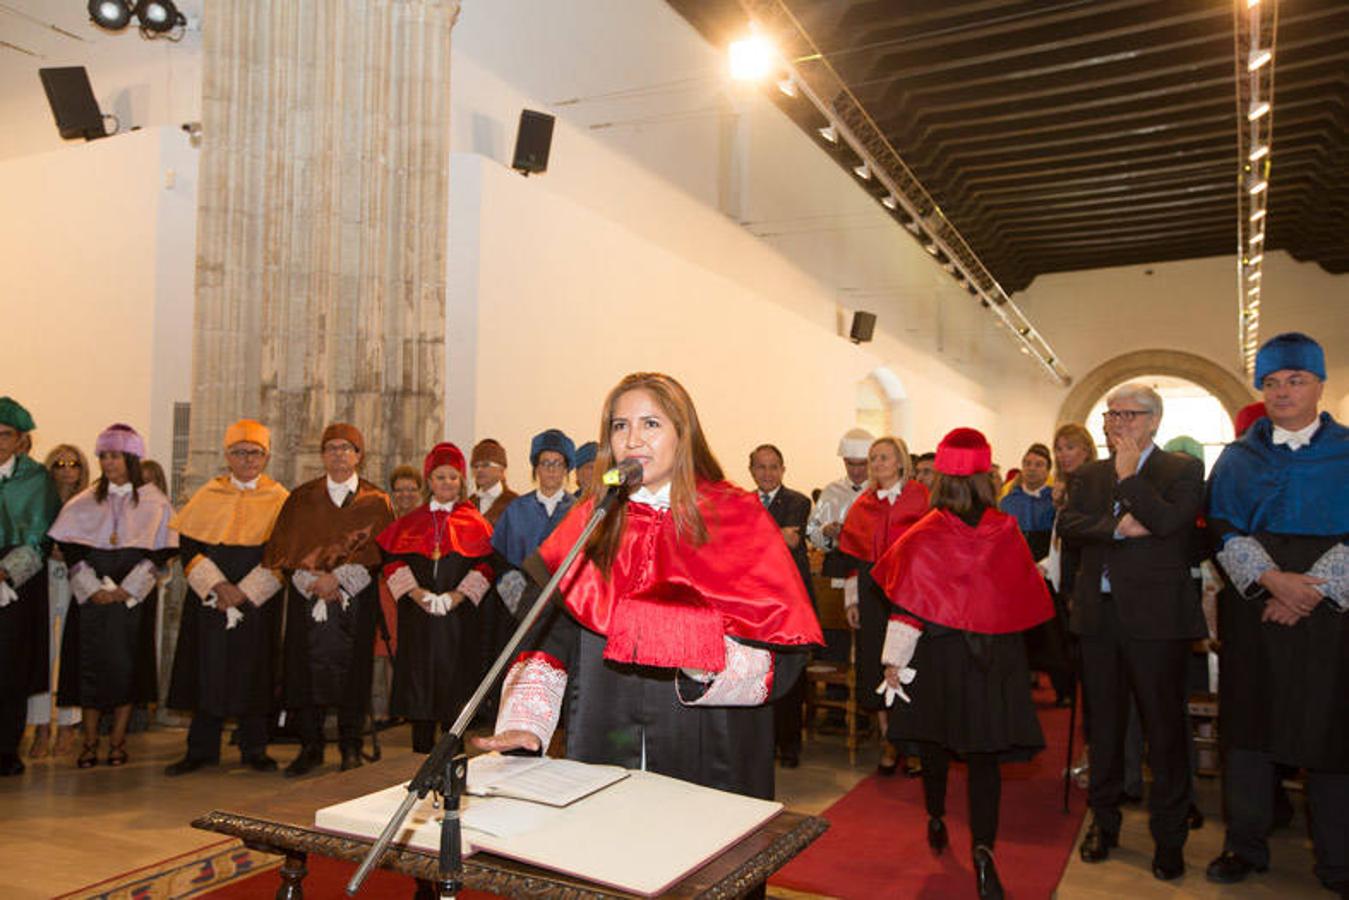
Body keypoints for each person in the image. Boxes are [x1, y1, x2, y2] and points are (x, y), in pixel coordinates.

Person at [475, 372, 822, 803]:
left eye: (650, 424)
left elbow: (784, 655)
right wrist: (526, 721)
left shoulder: (737, 517)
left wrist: (697, 656)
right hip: (605, 737)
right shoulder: (593, 518)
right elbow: (552, 633)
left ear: (684, 434)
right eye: (620, 426)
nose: (633, 439)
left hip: (707, 748)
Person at [873, 427, 1054, 900]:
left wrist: (893, 662)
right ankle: (984, 850)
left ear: (942, 480)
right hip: (993, 660)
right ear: (986, 478)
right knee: (984, 758)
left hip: (938, 658)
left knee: (933, 744)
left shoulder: (925, 531)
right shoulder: (1006, 529)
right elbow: (1023, 599)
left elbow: (907, 604)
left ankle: (936, 816)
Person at [1205, 333, 1349, 894]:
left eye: (1295, 380)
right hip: (1256, 606)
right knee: (1249, 730)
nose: (1283, 392)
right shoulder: (1240, 456)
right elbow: (1220, 525)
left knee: (1332, 733)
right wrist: (1272, 582)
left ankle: (1337, 859)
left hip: (1331, 613)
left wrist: (1309, 592)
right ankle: (1245, 844)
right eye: (1271, 383)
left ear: (1318, 385)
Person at [1058, 383, 1204, 881]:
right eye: (1111, 413)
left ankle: (1169, 837)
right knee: (1105, 727)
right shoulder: (1089, 475)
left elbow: (1167, 523)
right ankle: (1104, 821)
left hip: (1157, 622)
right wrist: (1116, 529)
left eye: (1128, 414)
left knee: (1163, 730)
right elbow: (1071, 525)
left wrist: (1128, 477)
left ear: (1153, 421)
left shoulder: (1181, 469)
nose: (1116, 422)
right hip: (1099, 619)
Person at [263, 422, 394, 776]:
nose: (339, 454)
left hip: (355, 601)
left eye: (346, 448)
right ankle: (311, 747)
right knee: (304, 672)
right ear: (322, 455)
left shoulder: (376, 500)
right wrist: (314, 582)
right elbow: (283, 552)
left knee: (354, 672)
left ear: (359, 455)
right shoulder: (301, 498)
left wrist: (339, 579)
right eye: (331, 448)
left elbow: (381, 554)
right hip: (308, 601)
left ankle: (351, 745)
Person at [163, 420, 289, 775]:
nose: (247, 459)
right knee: (207, 668)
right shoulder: (207, 494)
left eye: (255, 453)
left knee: (255, 669)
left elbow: (283, 553)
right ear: (227, 456)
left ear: (266, 457)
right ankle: (201, 749)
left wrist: (244, 593)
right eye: (240, 452)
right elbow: (189, 547)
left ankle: (254, 749)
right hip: (211, 599)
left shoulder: (280, 499)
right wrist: (219, 587)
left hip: (256, 599)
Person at [49, 424, 177, 769]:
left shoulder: (154, 501)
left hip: (132, 598)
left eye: (115, 456)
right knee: (87, 668)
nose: (108, 463)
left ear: (131, 459)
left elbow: (163, 551)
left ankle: (118, 742)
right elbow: (71, 549)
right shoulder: (85, 500)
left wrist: (130, 588)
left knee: (126, 669)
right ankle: (89, 743)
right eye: (103, 456)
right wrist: (92, 588)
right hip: (92, 599)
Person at [376, 442, 495, 752]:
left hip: (458, 619)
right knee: (419, 680)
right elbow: (391, 561)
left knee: (455, 682)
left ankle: (451, 751)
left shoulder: (475, 521)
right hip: (419, 618)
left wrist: (458, 596)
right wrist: (417, 594)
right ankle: (419, 754)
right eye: (441, 477)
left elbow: (486, 565)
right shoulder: (410, 521)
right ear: (429, 481)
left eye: (453, 478)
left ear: (461, 482)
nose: (447, 484)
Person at [838, 435, 930, 774]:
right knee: (876, 661)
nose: (877, 463)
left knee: (910, 663)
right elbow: (852, 557)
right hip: (873, 592)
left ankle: (916, 743)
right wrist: (852, 599)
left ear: (901, 461)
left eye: (884, 457)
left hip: (911, 594)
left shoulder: (920, 498)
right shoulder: (863, 504)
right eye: (873, 458)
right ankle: (889, 740)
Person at [0, 399, 60, 776]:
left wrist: (5, 573)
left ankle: (6, 749)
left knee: (10, 664)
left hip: (17, 580)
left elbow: (41, 536)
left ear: (21, 439)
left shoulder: (36, 479)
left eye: (5, 435)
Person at [748, 443, 816, 769]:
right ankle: (762, 743)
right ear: (751, 471)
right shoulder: (743, 503)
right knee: (760, 674)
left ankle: (790, 746)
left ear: (783, 470)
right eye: (761, 467)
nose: (767, 473)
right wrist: (771, 535)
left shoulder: (798, 501)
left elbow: (790, 541)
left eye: (774, 466)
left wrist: (754, 535)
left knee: (791, 677)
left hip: (789, 604)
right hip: (755, 605)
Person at [27, 444, 88, 759]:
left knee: (71, 650)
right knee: (42, 651)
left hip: (77, 578)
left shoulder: (90, 502)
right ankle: (39, 726)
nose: (67, 469)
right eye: (60, 464)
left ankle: (68, 726)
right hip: (43, 576)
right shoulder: (40, 502)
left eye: (73, 463)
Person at [1001, 442, 1071, 706]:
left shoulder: (1056, 498)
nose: (1031, 469)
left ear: (1048, 469)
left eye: (1038, 464)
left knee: (1053, 632)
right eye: (1027, 463)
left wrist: (1044, 564)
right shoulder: (1008, 500)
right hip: (1016, 571)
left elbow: (1061, 537)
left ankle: (1063, 690)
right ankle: (1019, 689)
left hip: (1047, 567)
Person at [805, 427, 872, 568]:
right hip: (837, 564)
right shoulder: (831, 491)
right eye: (850, 464)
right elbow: (810, 529)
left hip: (871, 565)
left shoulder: (881, 490)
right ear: (844, 461)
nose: (856, 471)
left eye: (862, 464)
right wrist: (825, 532)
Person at [468, 438, 517, 527]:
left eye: (485, 465)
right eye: (475, 466)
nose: (479, 470)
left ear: (501, 470)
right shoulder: (469, 504)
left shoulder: (515, 503)